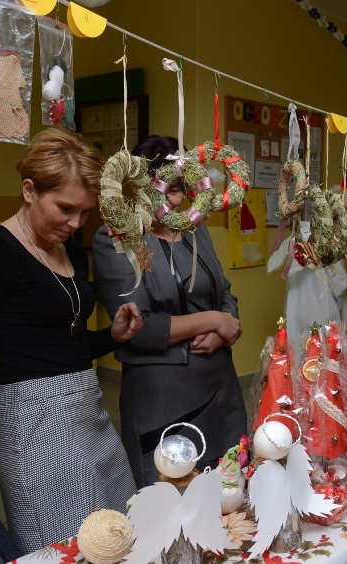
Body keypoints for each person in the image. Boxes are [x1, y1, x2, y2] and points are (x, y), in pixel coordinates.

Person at [0, 128, 142, 553]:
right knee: (68, 549)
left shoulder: (69, 250)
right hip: (36, 426)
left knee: (121, 536)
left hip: (90, 414)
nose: (75, 223)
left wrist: (111, 336)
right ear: (29, 190)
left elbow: (60, 346)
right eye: (66, 208)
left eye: (86, 213)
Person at [93, 135, 248, 488]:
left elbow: (224, 292)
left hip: (219, 383)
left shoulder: (196, 229)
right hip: (163, 393)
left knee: (230, 492)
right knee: (172, 502)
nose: (167, 199)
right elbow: (139, 326)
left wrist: (228, 323)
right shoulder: (117, 238)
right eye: (156, 188)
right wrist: (213, 320)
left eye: (175, 189)